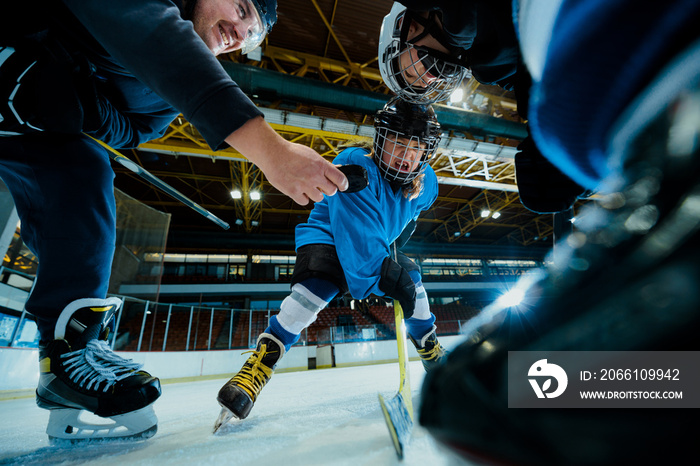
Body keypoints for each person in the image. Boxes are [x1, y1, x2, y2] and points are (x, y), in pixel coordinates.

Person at [0, 0, 348, 442]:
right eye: (241, 8)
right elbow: (156, 38)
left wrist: (84, 105)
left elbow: (133, 129)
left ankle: (67, 356)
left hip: (31, 129)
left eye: (253, 32)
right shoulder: (160, 18)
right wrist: (272, 152)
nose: (241, 31)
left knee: (83, 173)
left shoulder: (166, 98)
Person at [214, 97, 447, 428]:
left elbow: (404, 222)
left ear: (426, 150)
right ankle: (258, 368)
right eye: (397, 141)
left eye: (416, 145)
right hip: (328, 235)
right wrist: (382, 274)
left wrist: (393, 249)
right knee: (315, 288)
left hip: (374, 241)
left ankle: (431, 351)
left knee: (414, 280)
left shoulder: (427, 185)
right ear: (380, 139)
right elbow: (361, 255)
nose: (406, 154)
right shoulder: (357, 168)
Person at [378, 1, 588, 214]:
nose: (426, 80)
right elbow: (533, 85)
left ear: (406, 26)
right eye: (426, 84)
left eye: (410, 73)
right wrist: (558, 149)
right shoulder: (491, 67)